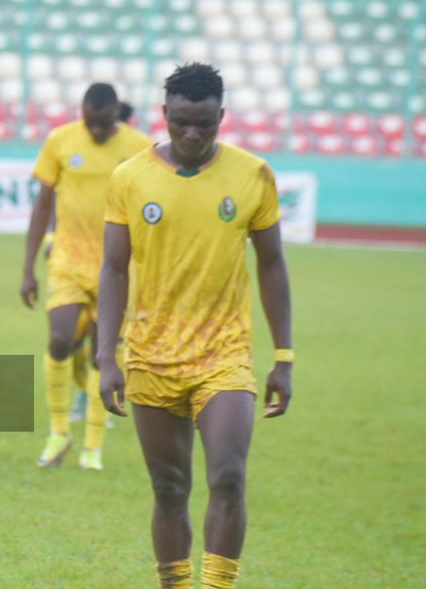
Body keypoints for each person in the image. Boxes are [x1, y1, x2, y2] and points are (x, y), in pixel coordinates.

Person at [97, 62, 292, 589]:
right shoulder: (130, 178)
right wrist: (105, 357)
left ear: (221, 116)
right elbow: (114, 268)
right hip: (151, 355)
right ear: (163, 114)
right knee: (169, 488)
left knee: (227, 476)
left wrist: (284, 358)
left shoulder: (253, 175)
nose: (191, 134)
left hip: (224, 355)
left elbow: (272, 264)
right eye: (180, 122)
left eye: (203, 124)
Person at [21, 83, 151, 472]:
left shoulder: (140, 147)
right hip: (68, 261)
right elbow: (43, 203)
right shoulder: (60, 141)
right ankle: (59, 431)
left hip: (119, 268)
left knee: (104, 354)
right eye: (90, 123)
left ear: (117, 113)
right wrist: (28, 267)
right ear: (82, 112)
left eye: (104, 123)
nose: (95, 131)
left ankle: (93, 445)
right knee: (60, 339)